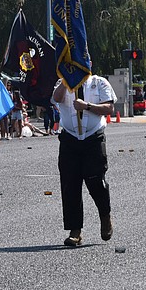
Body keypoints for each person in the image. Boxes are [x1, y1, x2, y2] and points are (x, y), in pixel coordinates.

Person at [52, 73, 116, 247]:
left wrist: (87, 106)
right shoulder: (62, 83)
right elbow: (56, 98)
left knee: (96, 181)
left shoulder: (99, 83)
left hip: (93, 138)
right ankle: (75, 231)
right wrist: (66, 81)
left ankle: (105, 216)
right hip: (69, 139)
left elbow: (109, 108)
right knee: (70, 185)